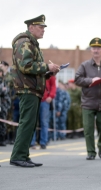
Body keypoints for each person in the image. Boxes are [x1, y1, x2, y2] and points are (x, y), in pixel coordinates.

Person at [10, 15, 60, 167]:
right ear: (31, 27)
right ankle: (19, 156)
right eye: (40, 27)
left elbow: (32, 68)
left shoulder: (32, 43)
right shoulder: (24, 42)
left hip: (33, 88)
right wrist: (47, 67)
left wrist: (49, 72)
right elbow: (25, 66)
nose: (43, 30)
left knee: (30, 123)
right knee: (27, 123)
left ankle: (23, 155)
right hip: (27, 88)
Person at [30, 75, 56, 149]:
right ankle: (32, 142)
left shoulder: (49, 73)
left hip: (45, 100)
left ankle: (43, 142)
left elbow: (53, 86)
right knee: (33, 121)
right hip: (34, 99)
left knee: (44, 122)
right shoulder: (33, 71)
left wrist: (51, 96)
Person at [0, 61, 16, 144]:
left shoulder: (11, 77)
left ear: (6, 66)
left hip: (9, 100)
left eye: (2, 65)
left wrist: (12, 99)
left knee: (10, 119)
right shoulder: (1, 76)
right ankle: (4, 137)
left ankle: (11, 138)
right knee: (3, 119)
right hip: (2, 101)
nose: (0, 66)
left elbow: (15, 90)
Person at [0, 69, 11, 146]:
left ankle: (2, 139)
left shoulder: (4, 81)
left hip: (3, 105)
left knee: (3, 122)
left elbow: (6, 90)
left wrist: (2, 90)